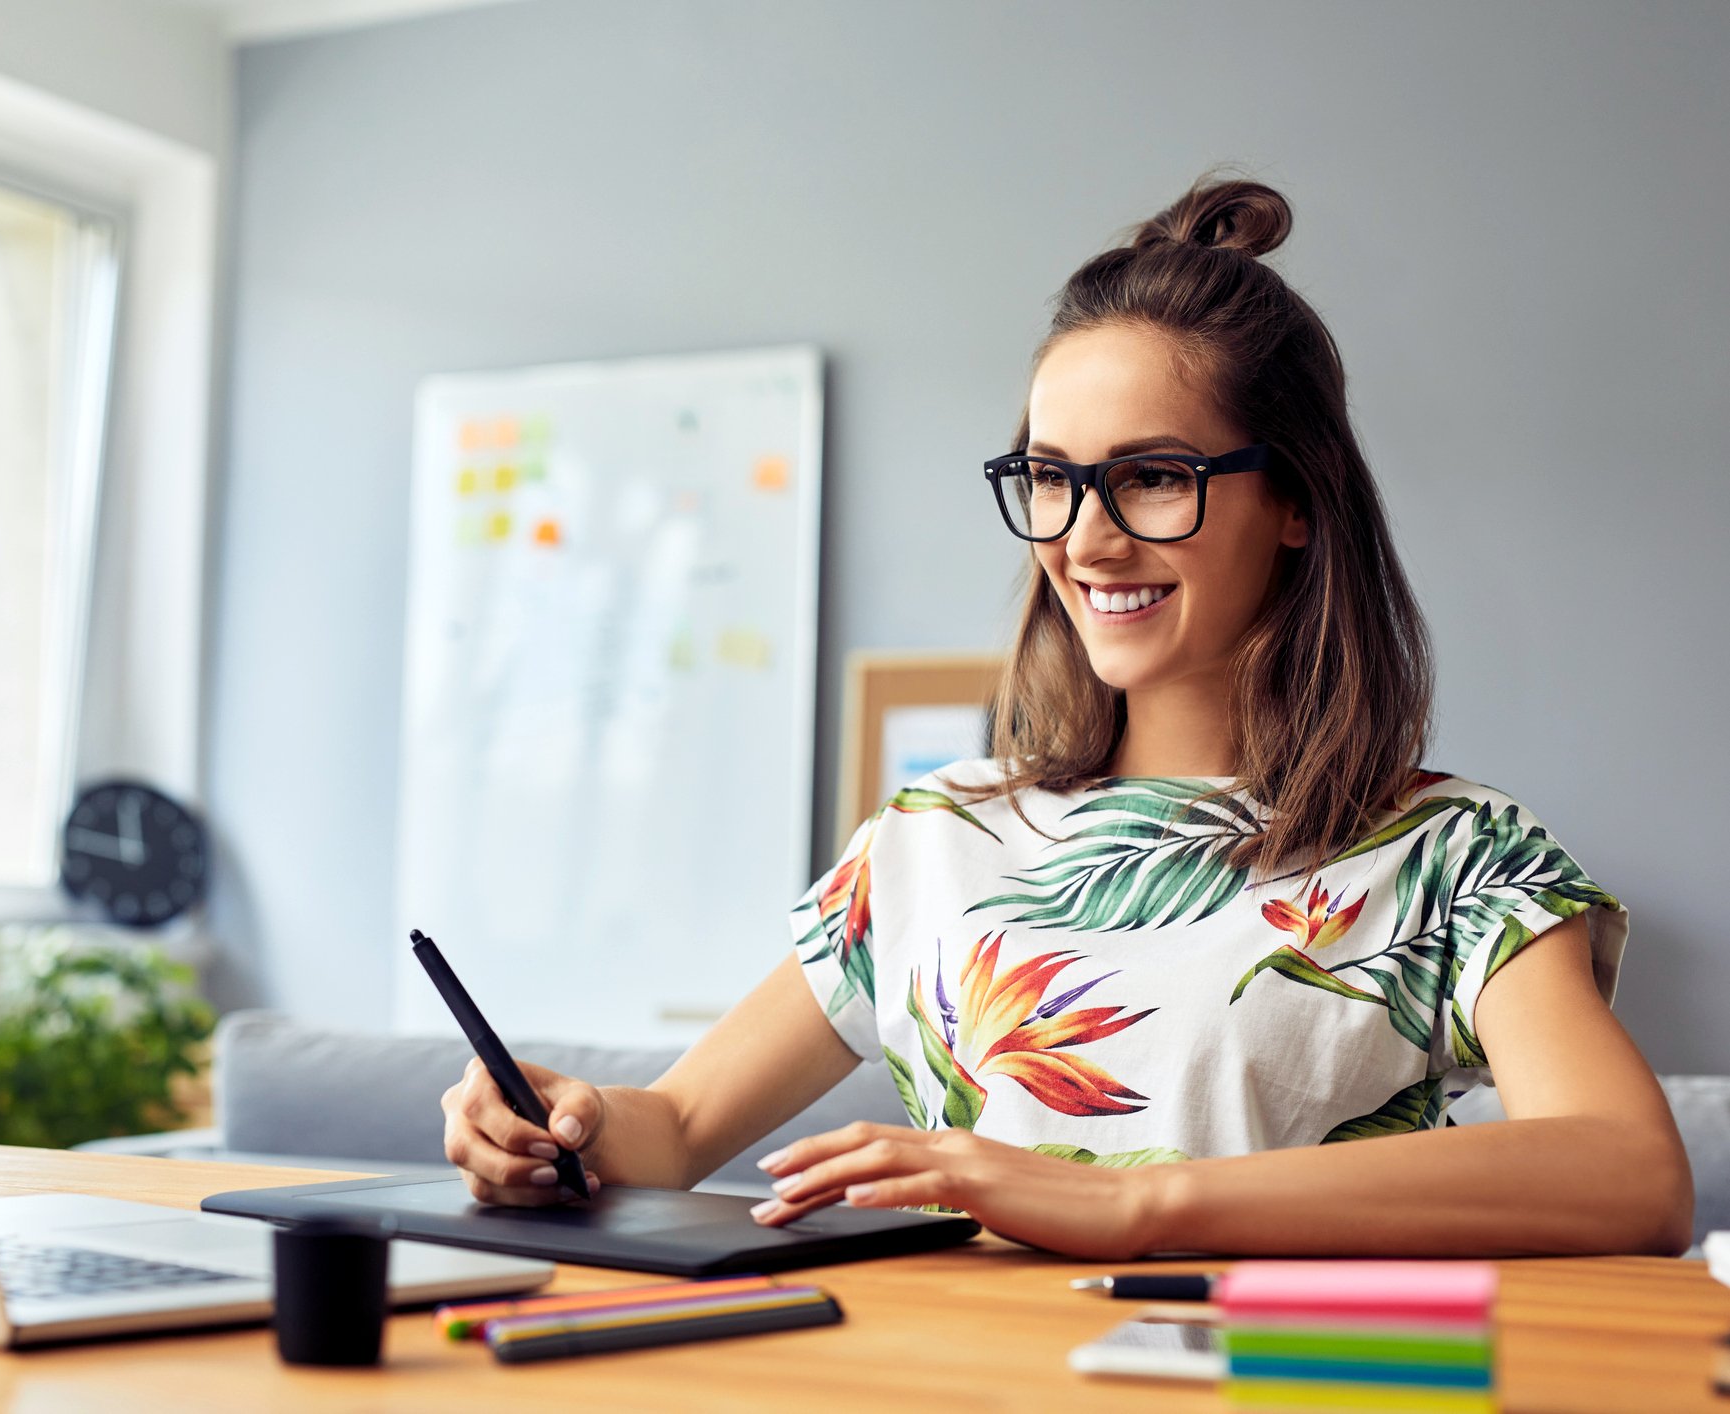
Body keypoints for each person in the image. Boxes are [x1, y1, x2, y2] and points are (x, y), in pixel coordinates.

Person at [439, 171, 1693, 1260]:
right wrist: (566, 1122)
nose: (1086, 537)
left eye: (1153, 476)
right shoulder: (933, 836)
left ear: (1298, 501)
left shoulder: (1459, 859)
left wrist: (1134, 1203)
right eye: (1050, 477)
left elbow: (1631, 1172)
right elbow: (679, 1129)